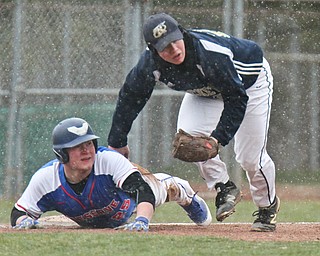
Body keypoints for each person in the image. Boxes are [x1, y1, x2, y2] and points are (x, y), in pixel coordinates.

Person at [107, 13, 280, 232]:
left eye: (174, 40)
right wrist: (117, 141)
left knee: (249, 157)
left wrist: (218, 138)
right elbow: (131, 97)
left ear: (182, 33)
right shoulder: (150, 64)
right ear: (154, 51)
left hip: (249, 84)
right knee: (188, 140)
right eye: (165, 47)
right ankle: (224, 187)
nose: (174, 50)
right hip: (207, 90)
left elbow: (236, 98)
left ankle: (267, 207)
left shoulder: (210, 54)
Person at [10, 117, 212, 230]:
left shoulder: (107, 160)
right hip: (105, 217)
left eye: (89, 143)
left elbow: (143, 192)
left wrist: (142, 220)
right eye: (77, 146)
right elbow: (18, 212)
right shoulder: (46, 179)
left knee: (165, 188)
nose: (86, 150)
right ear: (62, 154)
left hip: (133, 203)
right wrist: (23, 221)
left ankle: (183, 190)